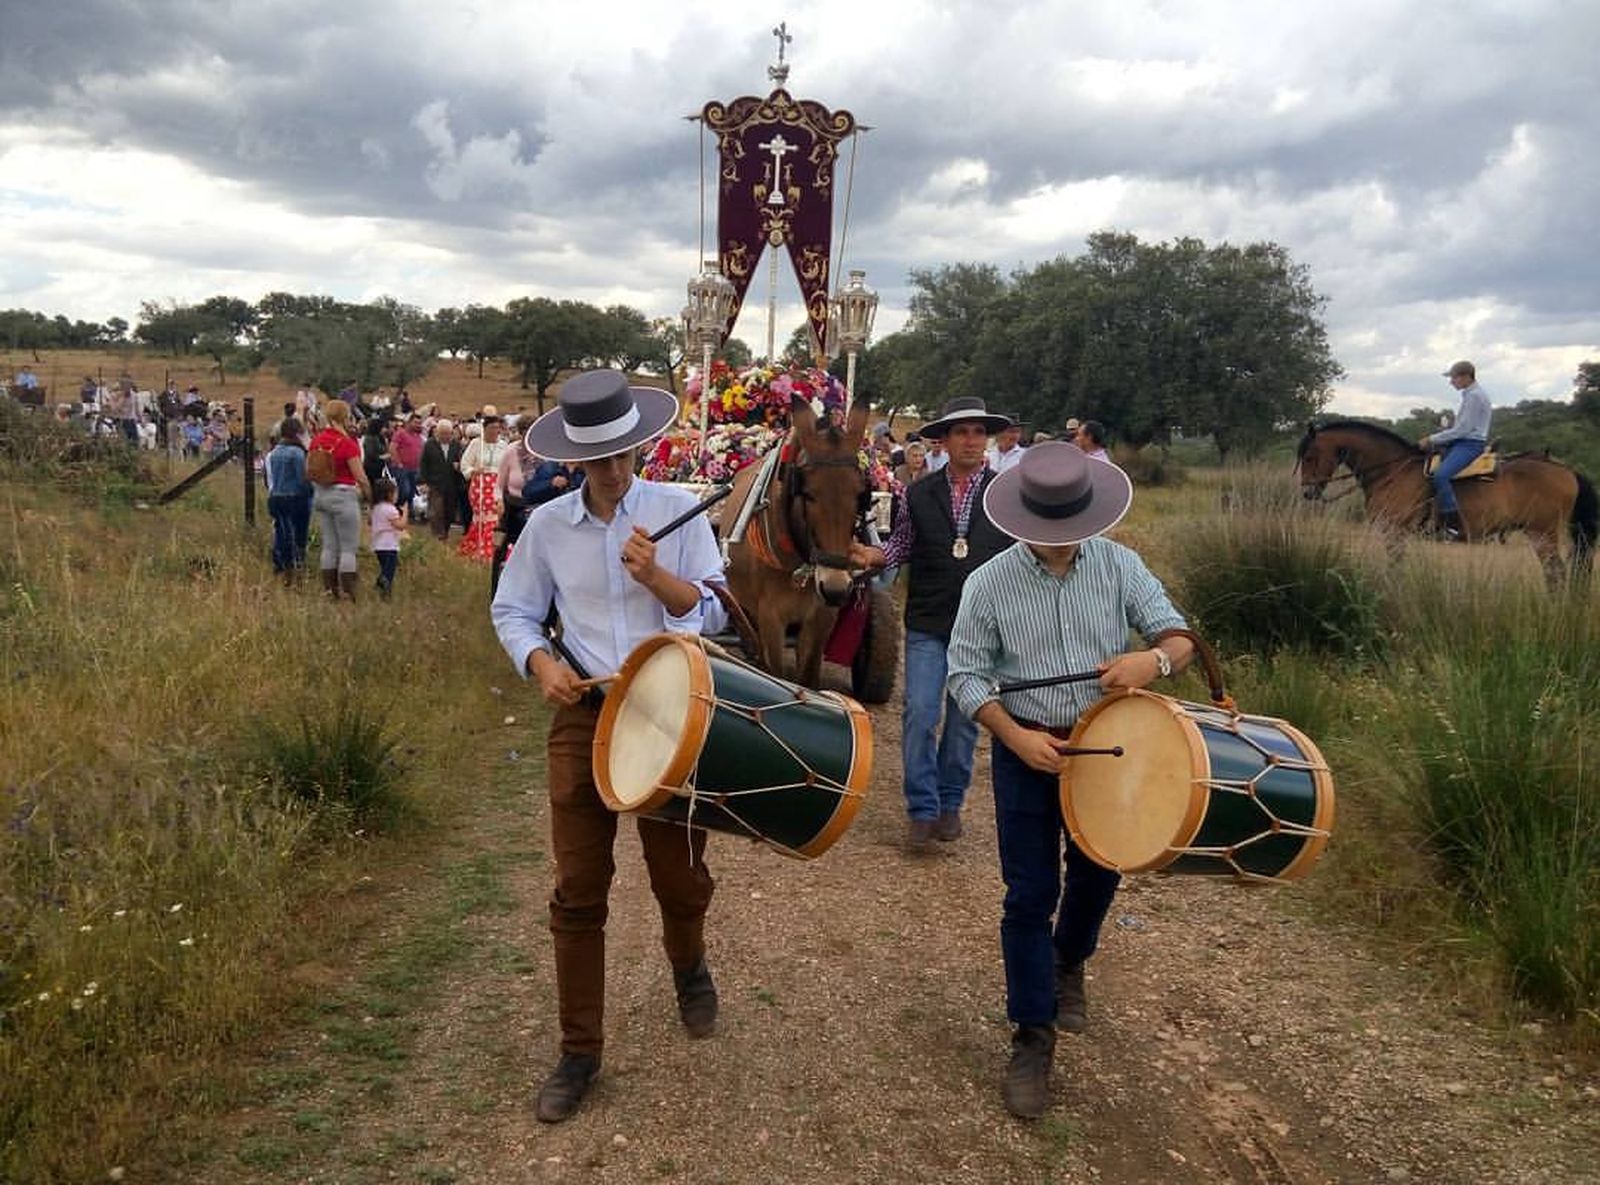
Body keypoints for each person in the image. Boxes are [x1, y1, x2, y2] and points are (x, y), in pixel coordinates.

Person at [490, 369, 729, 1125]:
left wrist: (657, 575)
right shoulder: (547, 526)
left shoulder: (677, 509)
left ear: (642, 445)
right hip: (587, 711)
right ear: (575, 461)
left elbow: (718, 609)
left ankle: (689, 966)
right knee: (579, 888)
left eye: (627, 453)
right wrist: (541, 663)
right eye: (601, 459)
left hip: (669, 706)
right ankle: (579, 1050)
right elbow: (514, 609)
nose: (617, 470)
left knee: (680, 874)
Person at [944, 441, 1194, 1119]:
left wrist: (1153, 663)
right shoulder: (988, 582)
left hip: (1110, 744)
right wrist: (1016, 735)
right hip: (1026, 746)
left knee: (1100, 869)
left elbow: (1178, 637)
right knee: (1029, 892)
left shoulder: (1120, 565)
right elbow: (965, 675)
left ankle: (1069, 959)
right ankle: (1032, 1032)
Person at [849, 396, 1015, 853]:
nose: (971, 440)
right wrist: (874, 555)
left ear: (987, 439)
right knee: (921, 713)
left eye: (978, 432)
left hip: (982, 631)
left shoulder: (1004, 495)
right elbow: (902, 544)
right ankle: (920, 810)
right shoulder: (918, 492)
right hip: (928, 620)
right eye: (961, 432)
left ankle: (950, 804)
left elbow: (1019, 559)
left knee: (964, 722)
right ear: (944, 439)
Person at [1420, 360, 1492, 541]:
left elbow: (1463, 430)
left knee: (1441, 476)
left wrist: (1432, 439)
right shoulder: (1471, 394)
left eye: (1453, 378)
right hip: (1462, 441)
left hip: (1469, 444)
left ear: (1466, 377)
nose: (1451, 382)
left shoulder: (1475, 396)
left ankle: (1454, 526)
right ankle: (1431, 519)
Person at [308, 399, 371, 600]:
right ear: (345, 417)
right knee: (348, 548)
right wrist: (369, 496)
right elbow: (360, 476)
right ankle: (348, 591)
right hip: (343, 495)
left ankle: (329, 589)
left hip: (321, 494)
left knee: (329, 545)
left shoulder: (316, 440)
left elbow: (308, 469)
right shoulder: (347, 444)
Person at [264, 419, 312, 587]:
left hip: (276, 497)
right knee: (298, 535)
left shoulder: (275, 452)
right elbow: (302, 479)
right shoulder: (297, 453)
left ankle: (282, 565)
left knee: (282, 533)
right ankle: (296, 566)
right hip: (295, 498)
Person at [458, 409, 507, 562]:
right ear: (484, 429)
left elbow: (507, 466)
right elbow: (464, 464)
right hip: (480, 484)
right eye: (492, 428)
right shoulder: (475, 444)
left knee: (497, 515)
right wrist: (473, 470)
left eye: (498, 428)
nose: (495, 431)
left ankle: (492, 548)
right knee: (483, 517)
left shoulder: (504, 446)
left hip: (497, 484)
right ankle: (478, 546)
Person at [369, 476, 407, 599]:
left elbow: (370, 521)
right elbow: (400, 526)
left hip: (378, 545)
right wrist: (405, 513)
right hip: (389, 545)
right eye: (395, 493)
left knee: (385, 567)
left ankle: (381, 582)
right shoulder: (391, 510)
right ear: (389, 494)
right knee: (390, 570)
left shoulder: (376, 508)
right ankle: (384, 587)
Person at [419, 420, 457, 540]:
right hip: (435, 483)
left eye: (448, 433)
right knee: (436, 511)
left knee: (449, 511)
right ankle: (438, 535)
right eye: (443, 433)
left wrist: (458, 465)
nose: (445, 436)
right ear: (437, 433)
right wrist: (424, 482)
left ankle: (445, 531)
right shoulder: (429, 445)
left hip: (451, 483)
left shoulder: (456, 445)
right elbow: (423, 464)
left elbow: (461, 459)